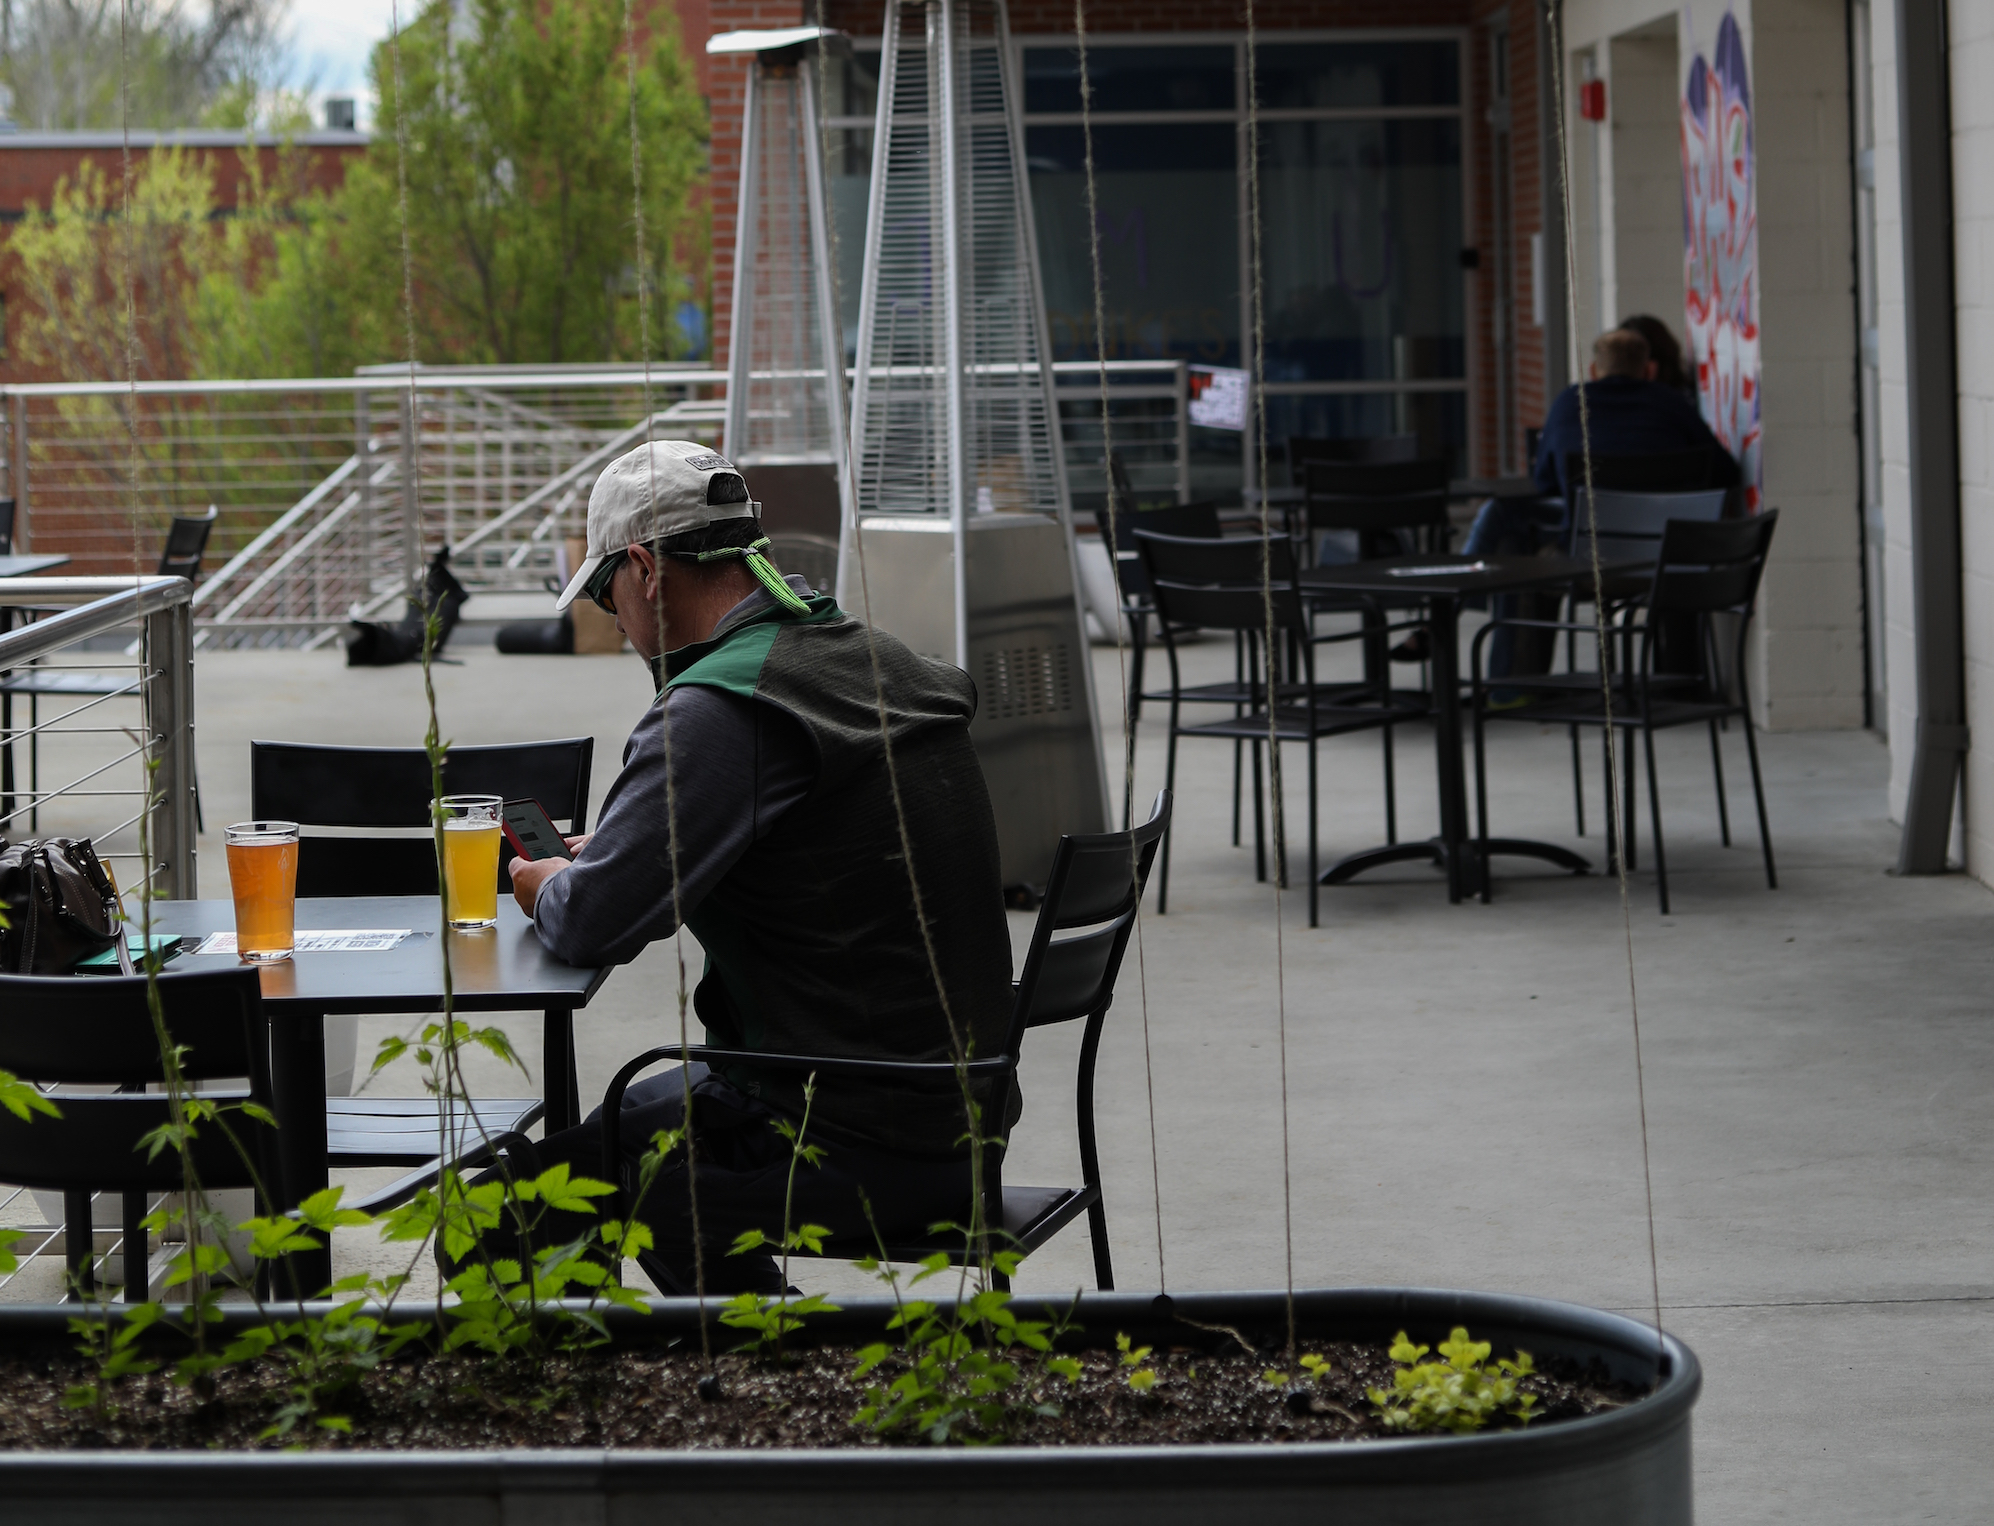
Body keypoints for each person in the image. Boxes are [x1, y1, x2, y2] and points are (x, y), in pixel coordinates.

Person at [493, 439, 1016, 1296]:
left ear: (644, 571)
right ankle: (759, 1383)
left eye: (603, 593)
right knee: (624, 1134)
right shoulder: (873, 660)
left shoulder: (718, 708)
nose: (613, 620)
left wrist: (547, 883)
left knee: (508, 1216)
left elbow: (597, 924)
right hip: (955, 1109)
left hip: (842, 1123)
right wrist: (634, 852)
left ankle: (748, 1397)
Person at [1462, 328, 1736, 686]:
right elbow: (1724, 471)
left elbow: (1545, 481)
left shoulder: (1569, 402)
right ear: (1647, 369)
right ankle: (1683, 684)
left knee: (1516, 539)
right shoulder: (1670, 404)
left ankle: (1509, 680)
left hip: (1585, 559)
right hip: (1665, 558)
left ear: (1593, 369)